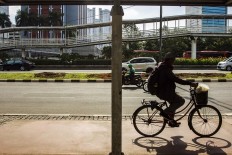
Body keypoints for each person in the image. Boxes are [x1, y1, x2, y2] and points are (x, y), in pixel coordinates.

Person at [156, 52, 198, 127]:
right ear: (169, 60)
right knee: (181, 101)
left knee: (174, 104)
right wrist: (190, 83)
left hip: (164, 91)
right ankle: (164, 113)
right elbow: (176, 79)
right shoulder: (165, 68)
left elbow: (172, 79)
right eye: (172, 60)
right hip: (165, 92)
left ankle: (171, 122)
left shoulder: (164, 67)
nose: (173, 62)